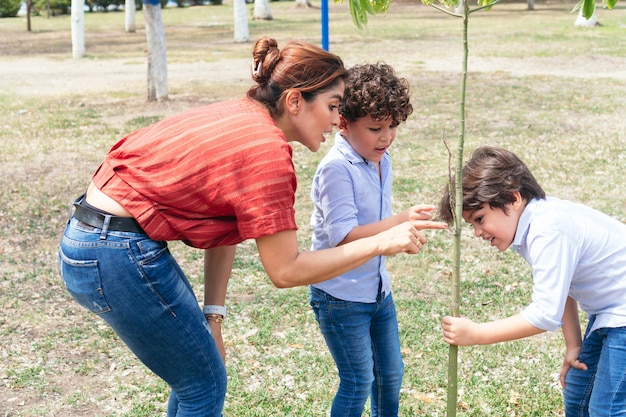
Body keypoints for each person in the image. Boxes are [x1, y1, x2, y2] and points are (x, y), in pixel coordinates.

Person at [58, 37, 432, 417]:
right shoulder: (266, 151)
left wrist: (213, 316)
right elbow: (285, 271)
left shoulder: (244, 115)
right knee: (203, 384)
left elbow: (226, 227)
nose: (338, 121)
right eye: (333, 107)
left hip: (93, 240)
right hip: (116, 250)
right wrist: (381, 241)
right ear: (295, 101)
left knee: (196, 379)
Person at [437, 145, 626, 417]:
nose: (477, 232)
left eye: (480, 219)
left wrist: (477, 334)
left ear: (513, 199)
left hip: (620, 312)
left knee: (608, 410)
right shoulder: (531, 224)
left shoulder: (548, 228)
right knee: (577, 396)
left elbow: (545, 314)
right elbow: (563, 288)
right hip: (608, 311)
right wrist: (573, 344)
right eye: (472, 224)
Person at [308, 62, 448, 417]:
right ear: (343, 122)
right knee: (357, 381)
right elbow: (344, 236)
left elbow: (374, 223)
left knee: (390, 375)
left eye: (392, 126)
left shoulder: (380, 158)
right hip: (340, 296)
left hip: (376, 290)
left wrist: (402, 225)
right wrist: (398, 224)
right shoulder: (336, 168)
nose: (386, 137)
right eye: (375, 128)